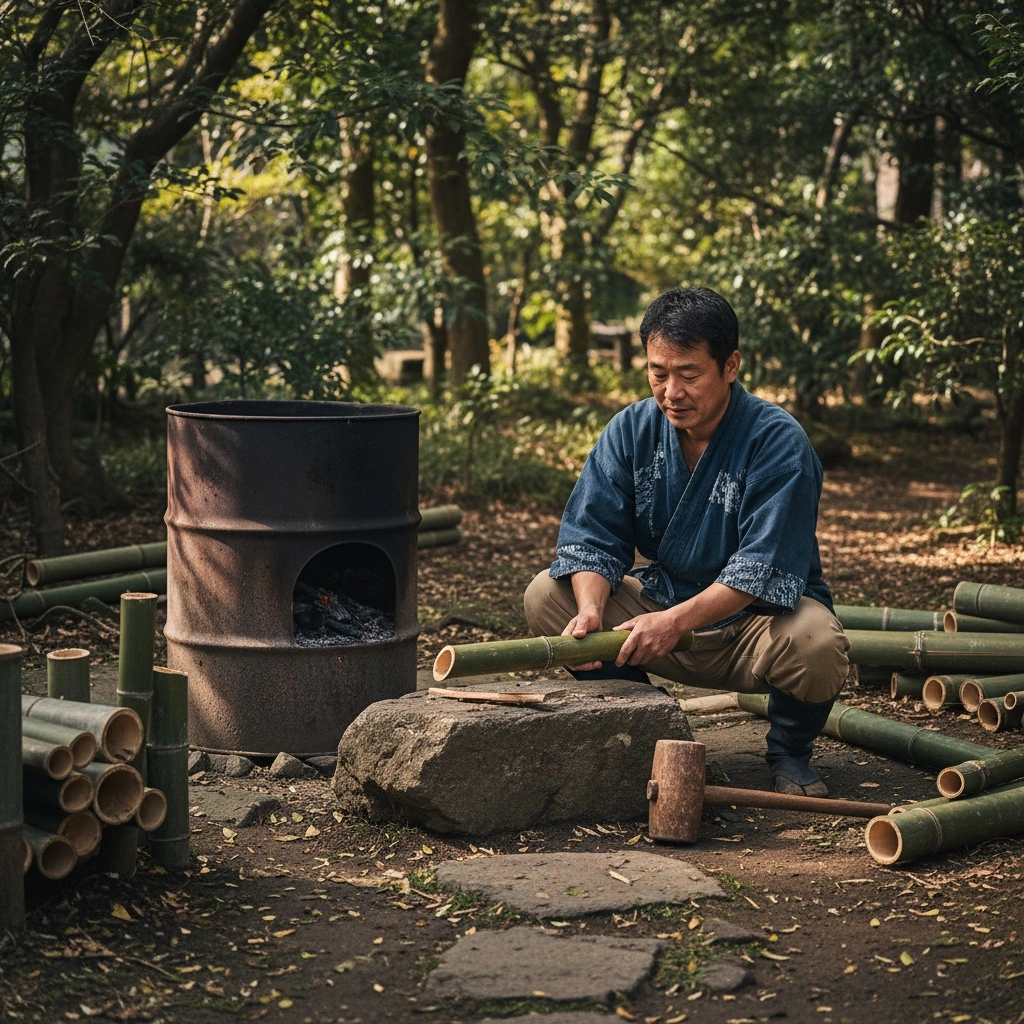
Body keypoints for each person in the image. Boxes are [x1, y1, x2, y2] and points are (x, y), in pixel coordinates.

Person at [524, 286, 850, 797]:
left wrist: (673, 623)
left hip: (754, 626)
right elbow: (592, 536)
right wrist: (590, 610)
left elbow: (759, 568)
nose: (671, 391)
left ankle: (789, 750)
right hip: (660, 603)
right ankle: (651, 725)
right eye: (658, 373)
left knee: (817, 642)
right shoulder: (631, 429)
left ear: (731, 365)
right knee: (548, 594)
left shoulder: (777, 440)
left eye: (689, 374)